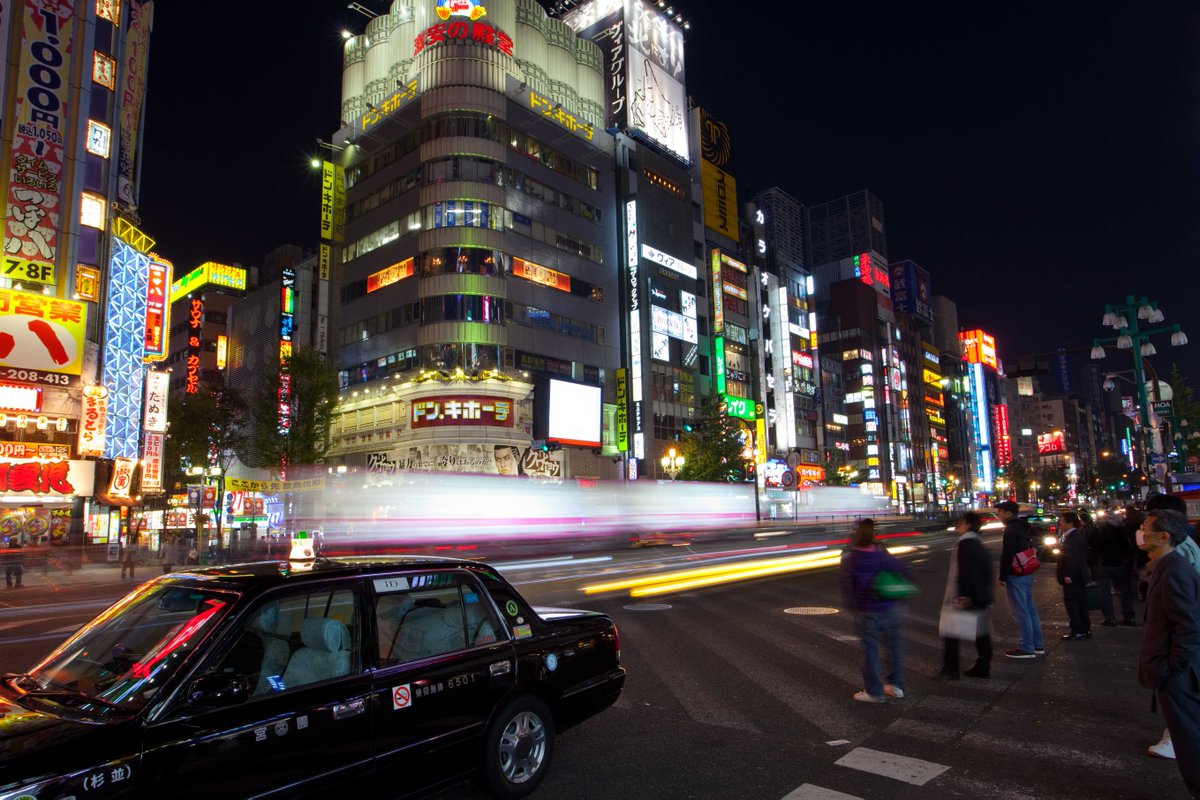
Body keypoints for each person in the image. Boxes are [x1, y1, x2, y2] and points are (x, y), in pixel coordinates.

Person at [1137, 507, 1200, 797]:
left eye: (1146, 527)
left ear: (1163, 536)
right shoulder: (1166, 566)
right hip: (1174, 670)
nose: (1141, 532)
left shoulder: (1174, 570)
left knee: (1190, 743)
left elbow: (1189, 626)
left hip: (1178, 675)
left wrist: (1172, 668)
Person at [839, 518, 913, 703]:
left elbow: (847, 585)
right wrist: (902, 593)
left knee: (871, 650)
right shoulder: (882, 553)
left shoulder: (851, 558)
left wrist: (851, 605)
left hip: (867, 610)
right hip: (890, 607)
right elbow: (904, 570)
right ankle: (896, 686)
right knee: (894, 647)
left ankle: (874, 692)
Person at [939, 511, 994, 679]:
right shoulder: (977, 542)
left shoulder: (965, 543)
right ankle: (982, 666)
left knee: (951, 633)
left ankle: (951, 670)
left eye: (961, 522)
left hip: (967, 595)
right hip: (979, 594)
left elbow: (964, 571)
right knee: (981, 633)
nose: (958, 525)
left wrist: (963, 595)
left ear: (968, 524)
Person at [996, 500, 1044, 658]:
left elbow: (1007, 553)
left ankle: (1026, 647)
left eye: (1000, 511)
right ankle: (1037, 644)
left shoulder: (1010, 529)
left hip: (1016, 573)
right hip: (1027, 570)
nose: (998, 514)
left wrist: (1002, 575)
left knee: (1020, 611)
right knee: (1030, 609)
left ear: (1008, 513)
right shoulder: (1022, 526)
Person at [1095, 510, 1135, 627]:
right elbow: (1126, 547)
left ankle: (1110, 618)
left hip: (1104, 563)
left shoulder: (1101, 529)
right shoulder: (1121, 529)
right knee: (1124, 592)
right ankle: (1129, 617)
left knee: (1105, 593)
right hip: (1119, 563)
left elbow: (1096, 546)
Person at [1056, 511, 1092, 640]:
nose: (1060, 523)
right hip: (1078, 576)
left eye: (1062, 521)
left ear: (1070, 523)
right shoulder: (1075, 536)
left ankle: (1078, 630)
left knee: (1073, 603)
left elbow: (1073, 558)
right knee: (1080, 603)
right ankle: (1084, 629)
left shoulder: (1073, 538)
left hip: (1073, 577)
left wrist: (1068, 575)